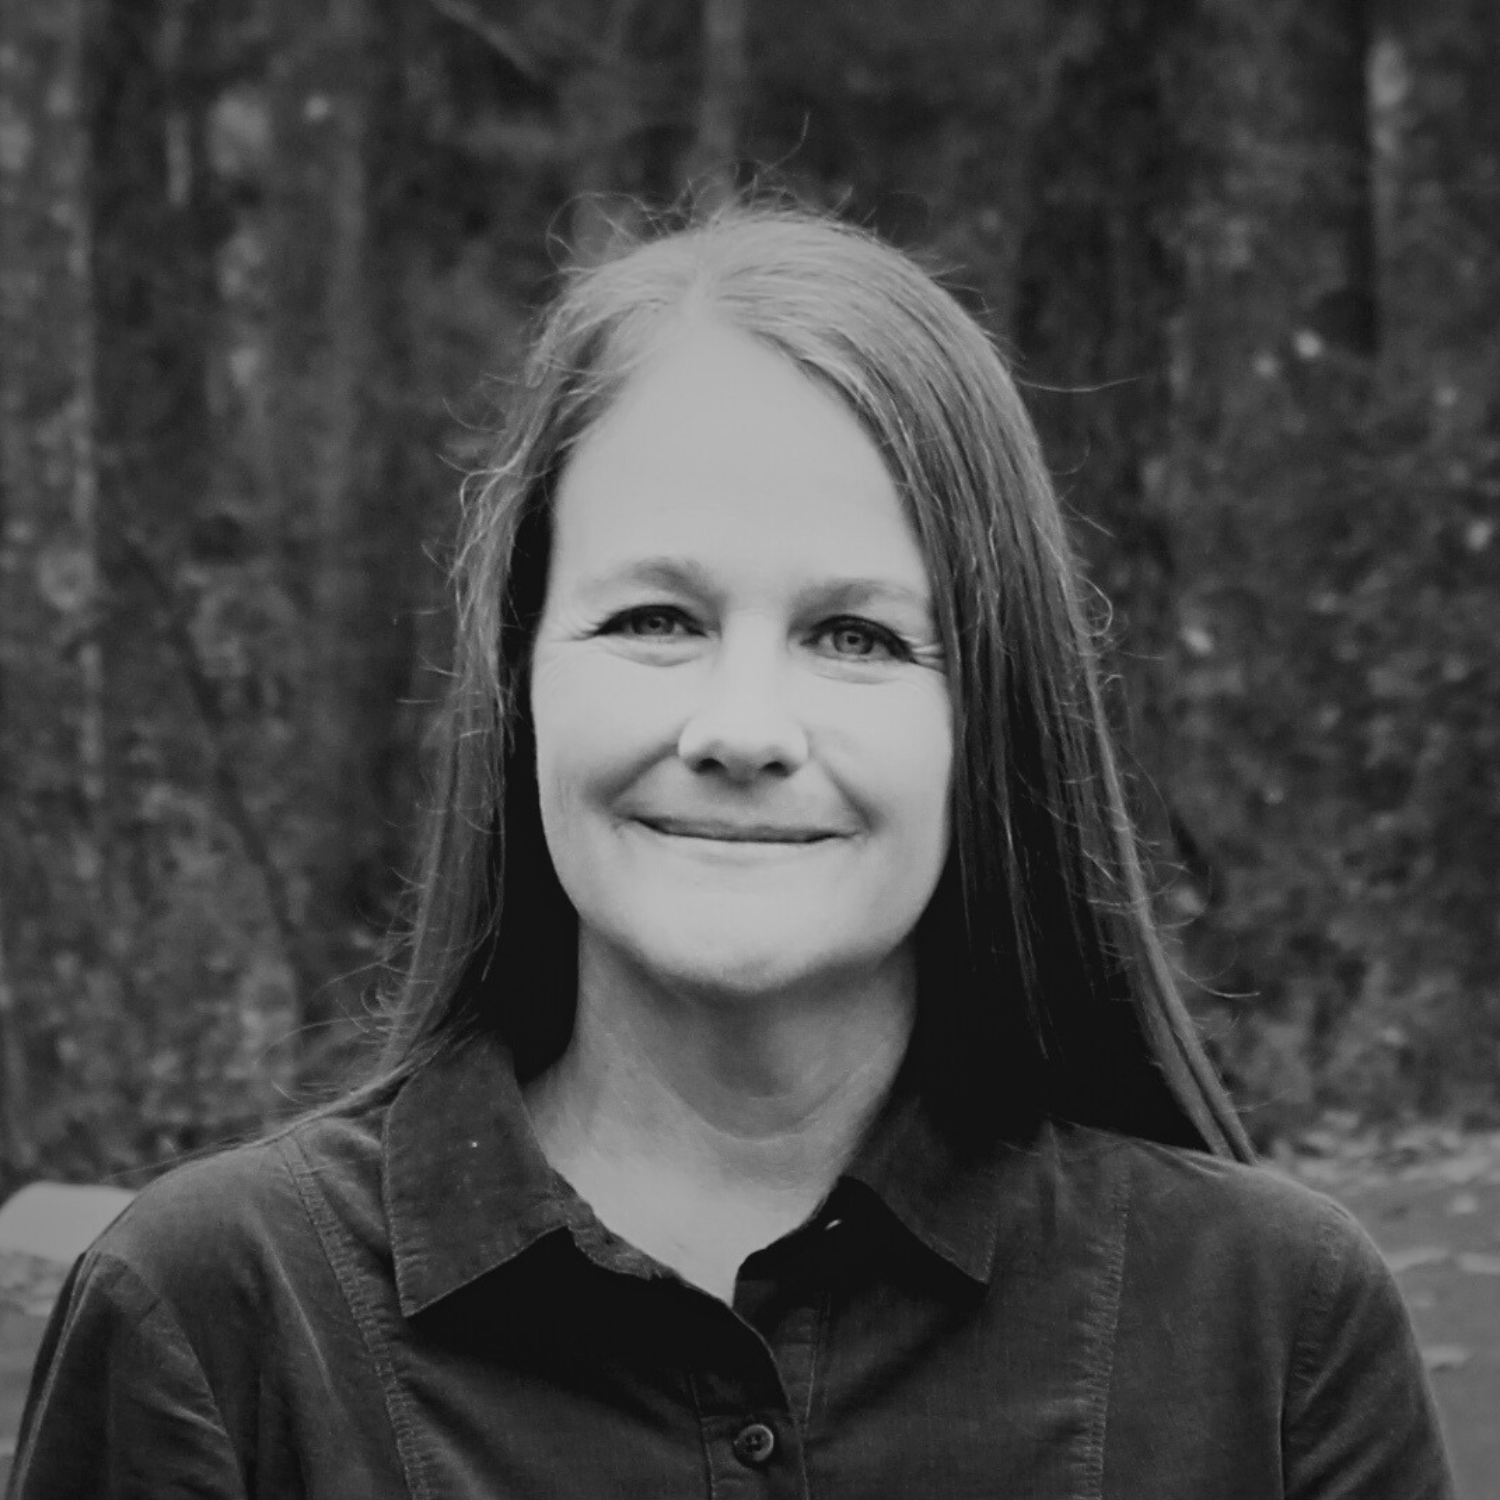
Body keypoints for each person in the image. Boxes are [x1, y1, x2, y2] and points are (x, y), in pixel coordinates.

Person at [8, 202, 1454, 1498]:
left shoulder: (1272, 1331)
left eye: (858, 636)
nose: (742, 727)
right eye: (657, 619)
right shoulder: (217, 1323)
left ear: (993, 718)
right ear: (517, 680)